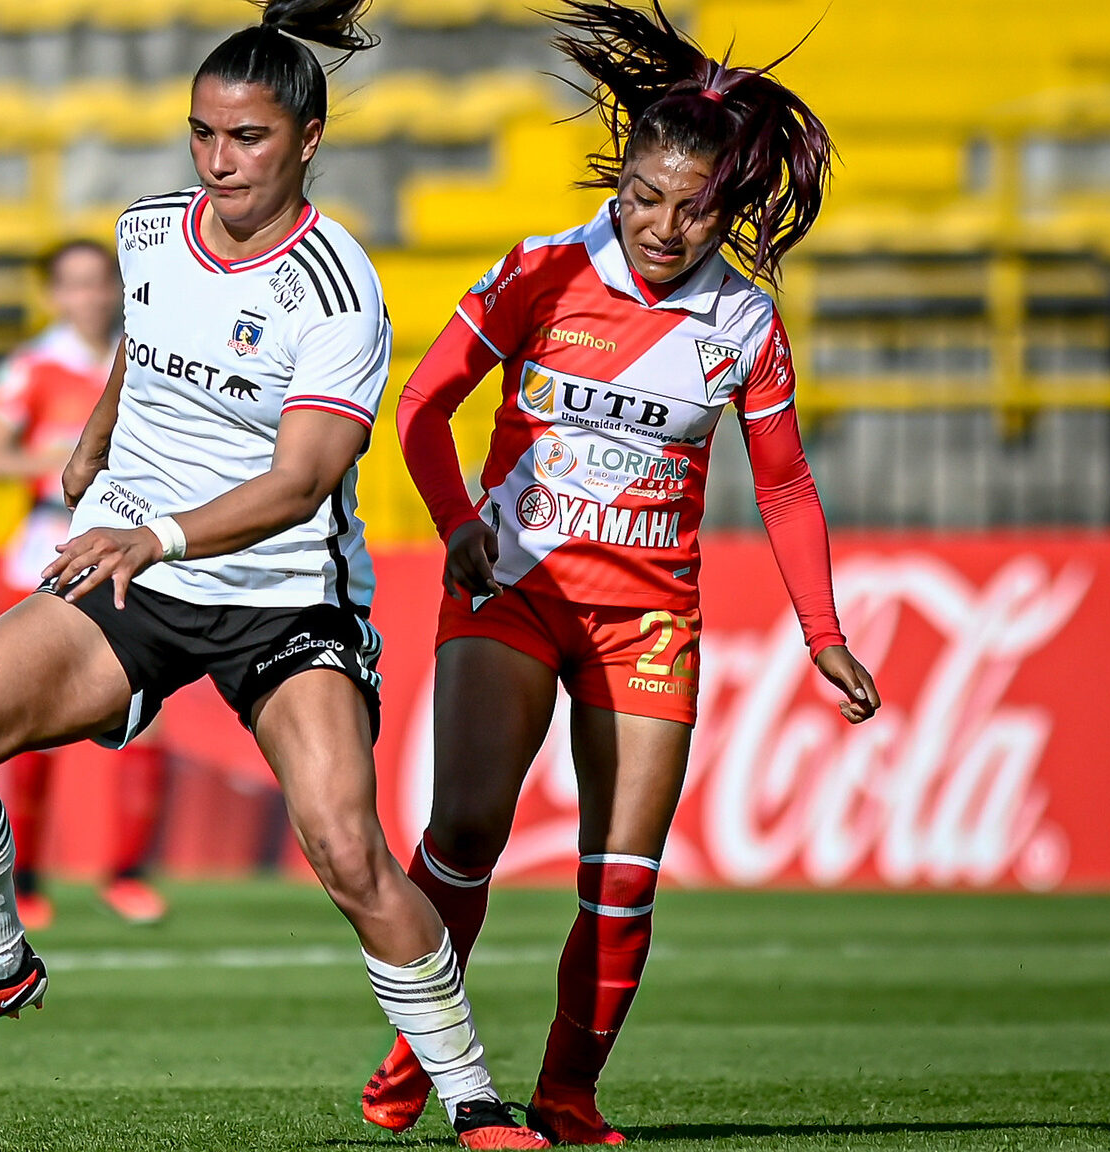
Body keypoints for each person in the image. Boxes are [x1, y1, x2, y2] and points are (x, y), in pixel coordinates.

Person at [0, 1, 549, 1144]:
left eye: (244, 138)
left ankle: (473, 1098)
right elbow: (145, 338)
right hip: (136, 573)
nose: (217, 160)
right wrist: (95, 440)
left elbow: (302, 481)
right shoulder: (145, 231)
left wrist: (157, 536)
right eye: (201, 134)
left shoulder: (336, 291)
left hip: (282, 599)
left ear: (306, 139)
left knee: (343, 845)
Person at [361, 1, 882, 1143]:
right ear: (619, 182)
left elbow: (785, 487)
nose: (660, 224)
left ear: (726, 209)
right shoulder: (541, 273)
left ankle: (566, 1095)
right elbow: (421, 404)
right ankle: (421, 1051)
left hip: (646, 621)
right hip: (510, 589)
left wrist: (821, 629)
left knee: (624, 875)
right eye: (642, 197)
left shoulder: (743, 324)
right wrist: (455, 522)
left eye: (690, 208)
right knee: (465, 831)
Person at [0, 240, 170, 929]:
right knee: (30, 723)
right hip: (44, 554)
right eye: (73, 285)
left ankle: (127, 873)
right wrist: (52, 456)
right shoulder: (32, 367)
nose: (88, 297)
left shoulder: (145, 355)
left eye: (98, 282)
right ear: (54, 296)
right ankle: (24, 880)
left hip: (123, 551)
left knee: (140, 717)